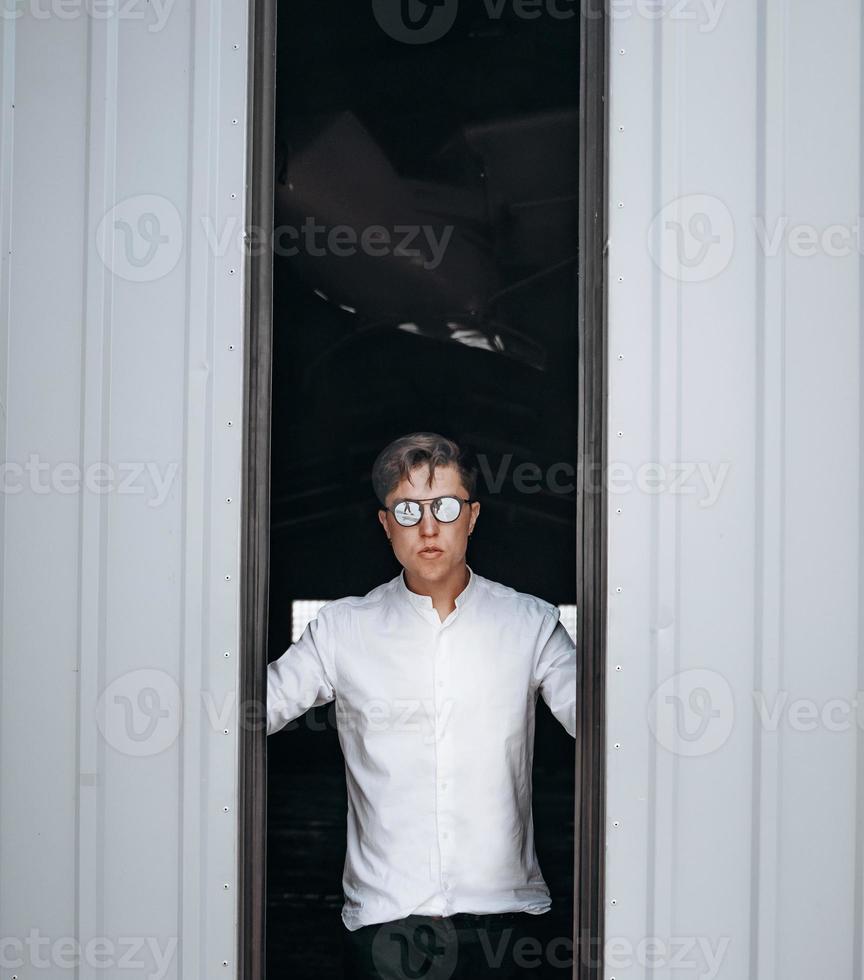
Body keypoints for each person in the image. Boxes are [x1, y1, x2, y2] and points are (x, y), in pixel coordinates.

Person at [267, 432, 577, 979]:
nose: (428, 527)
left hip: (503, 921)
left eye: (446, 507)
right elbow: (251, 711)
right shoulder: (341, 629)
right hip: (387, 925)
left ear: (473, 516)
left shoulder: (530, 624)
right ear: (386, 524)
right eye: (408, 510)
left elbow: (604, 725)